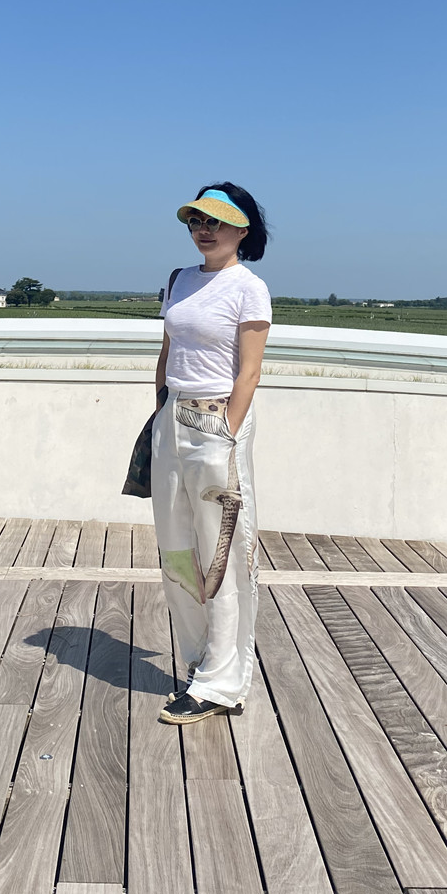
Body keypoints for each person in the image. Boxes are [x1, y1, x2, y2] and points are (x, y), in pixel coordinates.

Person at [151, 182, 271, 725]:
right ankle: (202, 661)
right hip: (172, 418)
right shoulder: (179, 280)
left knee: (222, 554)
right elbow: (168, 349)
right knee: (176, 548)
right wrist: (160, 410)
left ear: (241, 231)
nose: (204, 229)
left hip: (216, 420)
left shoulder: (249, 288)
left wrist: (226, 431)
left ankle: (222, 683)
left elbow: (250, 371)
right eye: (196, 220)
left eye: (216, 222)